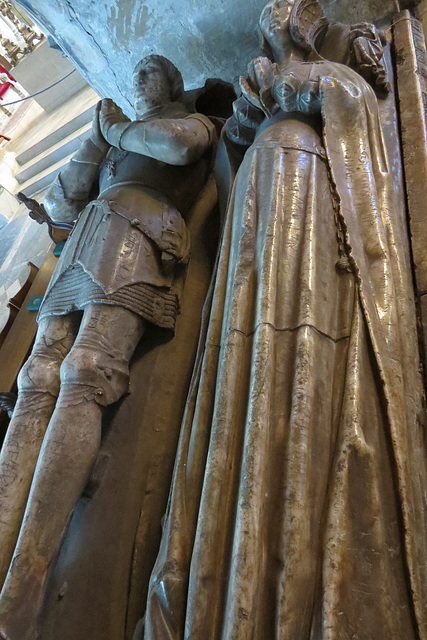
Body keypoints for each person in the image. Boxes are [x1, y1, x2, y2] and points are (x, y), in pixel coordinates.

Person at [142, 2, 427, 639]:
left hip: (312, 232)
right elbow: (228, 160)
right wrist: (244, 118)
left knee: (300, 391)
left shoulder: (341, 79)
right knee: (236, 394)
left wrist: (292, 87)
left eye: (292, 12)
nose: (282, 18)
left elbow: (357, 121)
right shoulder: (259, 89)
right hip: (254, 238)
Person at [0, 54, 216, 640]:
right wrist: (95, 144)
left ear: (173, 84)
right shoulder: (114, 139)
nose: (142, 75)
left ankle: (28, 577)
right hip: (87, 237)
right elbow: (66, 203)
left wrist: (115, 128)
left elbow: (177, 147)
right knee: (36, 379)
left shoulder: (191, 122)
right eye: (136, 70)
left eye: (153, 69)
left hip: (138, 235)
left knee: (86, 373)